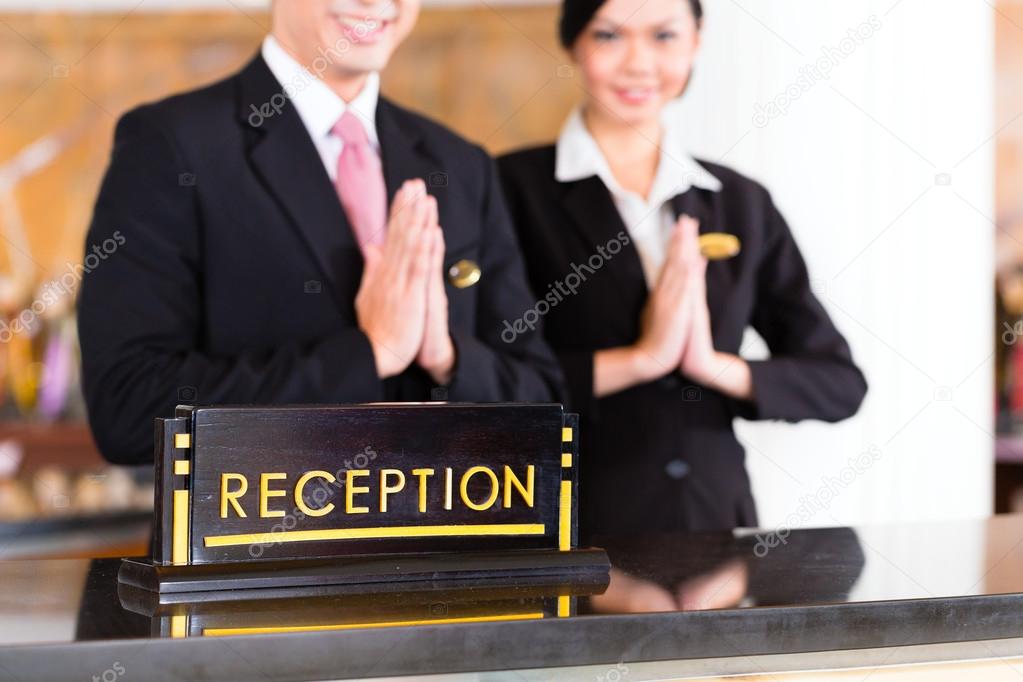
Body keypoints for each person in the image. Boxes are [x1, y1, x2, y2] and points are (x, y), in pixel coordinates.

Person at [78, 0, 563, 466]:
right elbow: (128, 408)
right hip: (256, 546)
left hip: (445, 544)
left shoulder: (460, 164)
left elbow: (546, 405)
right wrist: (369, 354)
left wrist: (447, 356)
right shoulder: (173, 145)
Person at [497, 0, 867, 538]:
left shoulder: (740, 202)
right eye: (609, 36)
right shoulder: (505, 188)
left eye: (664, 36)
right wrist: (640, 360)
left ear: (697, 40)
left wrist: (712, 366)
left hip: (719, 533)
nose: (639, 63)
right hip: (564, 532)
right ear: (572, 42)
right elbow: (483, 384)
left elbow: (839, 384)